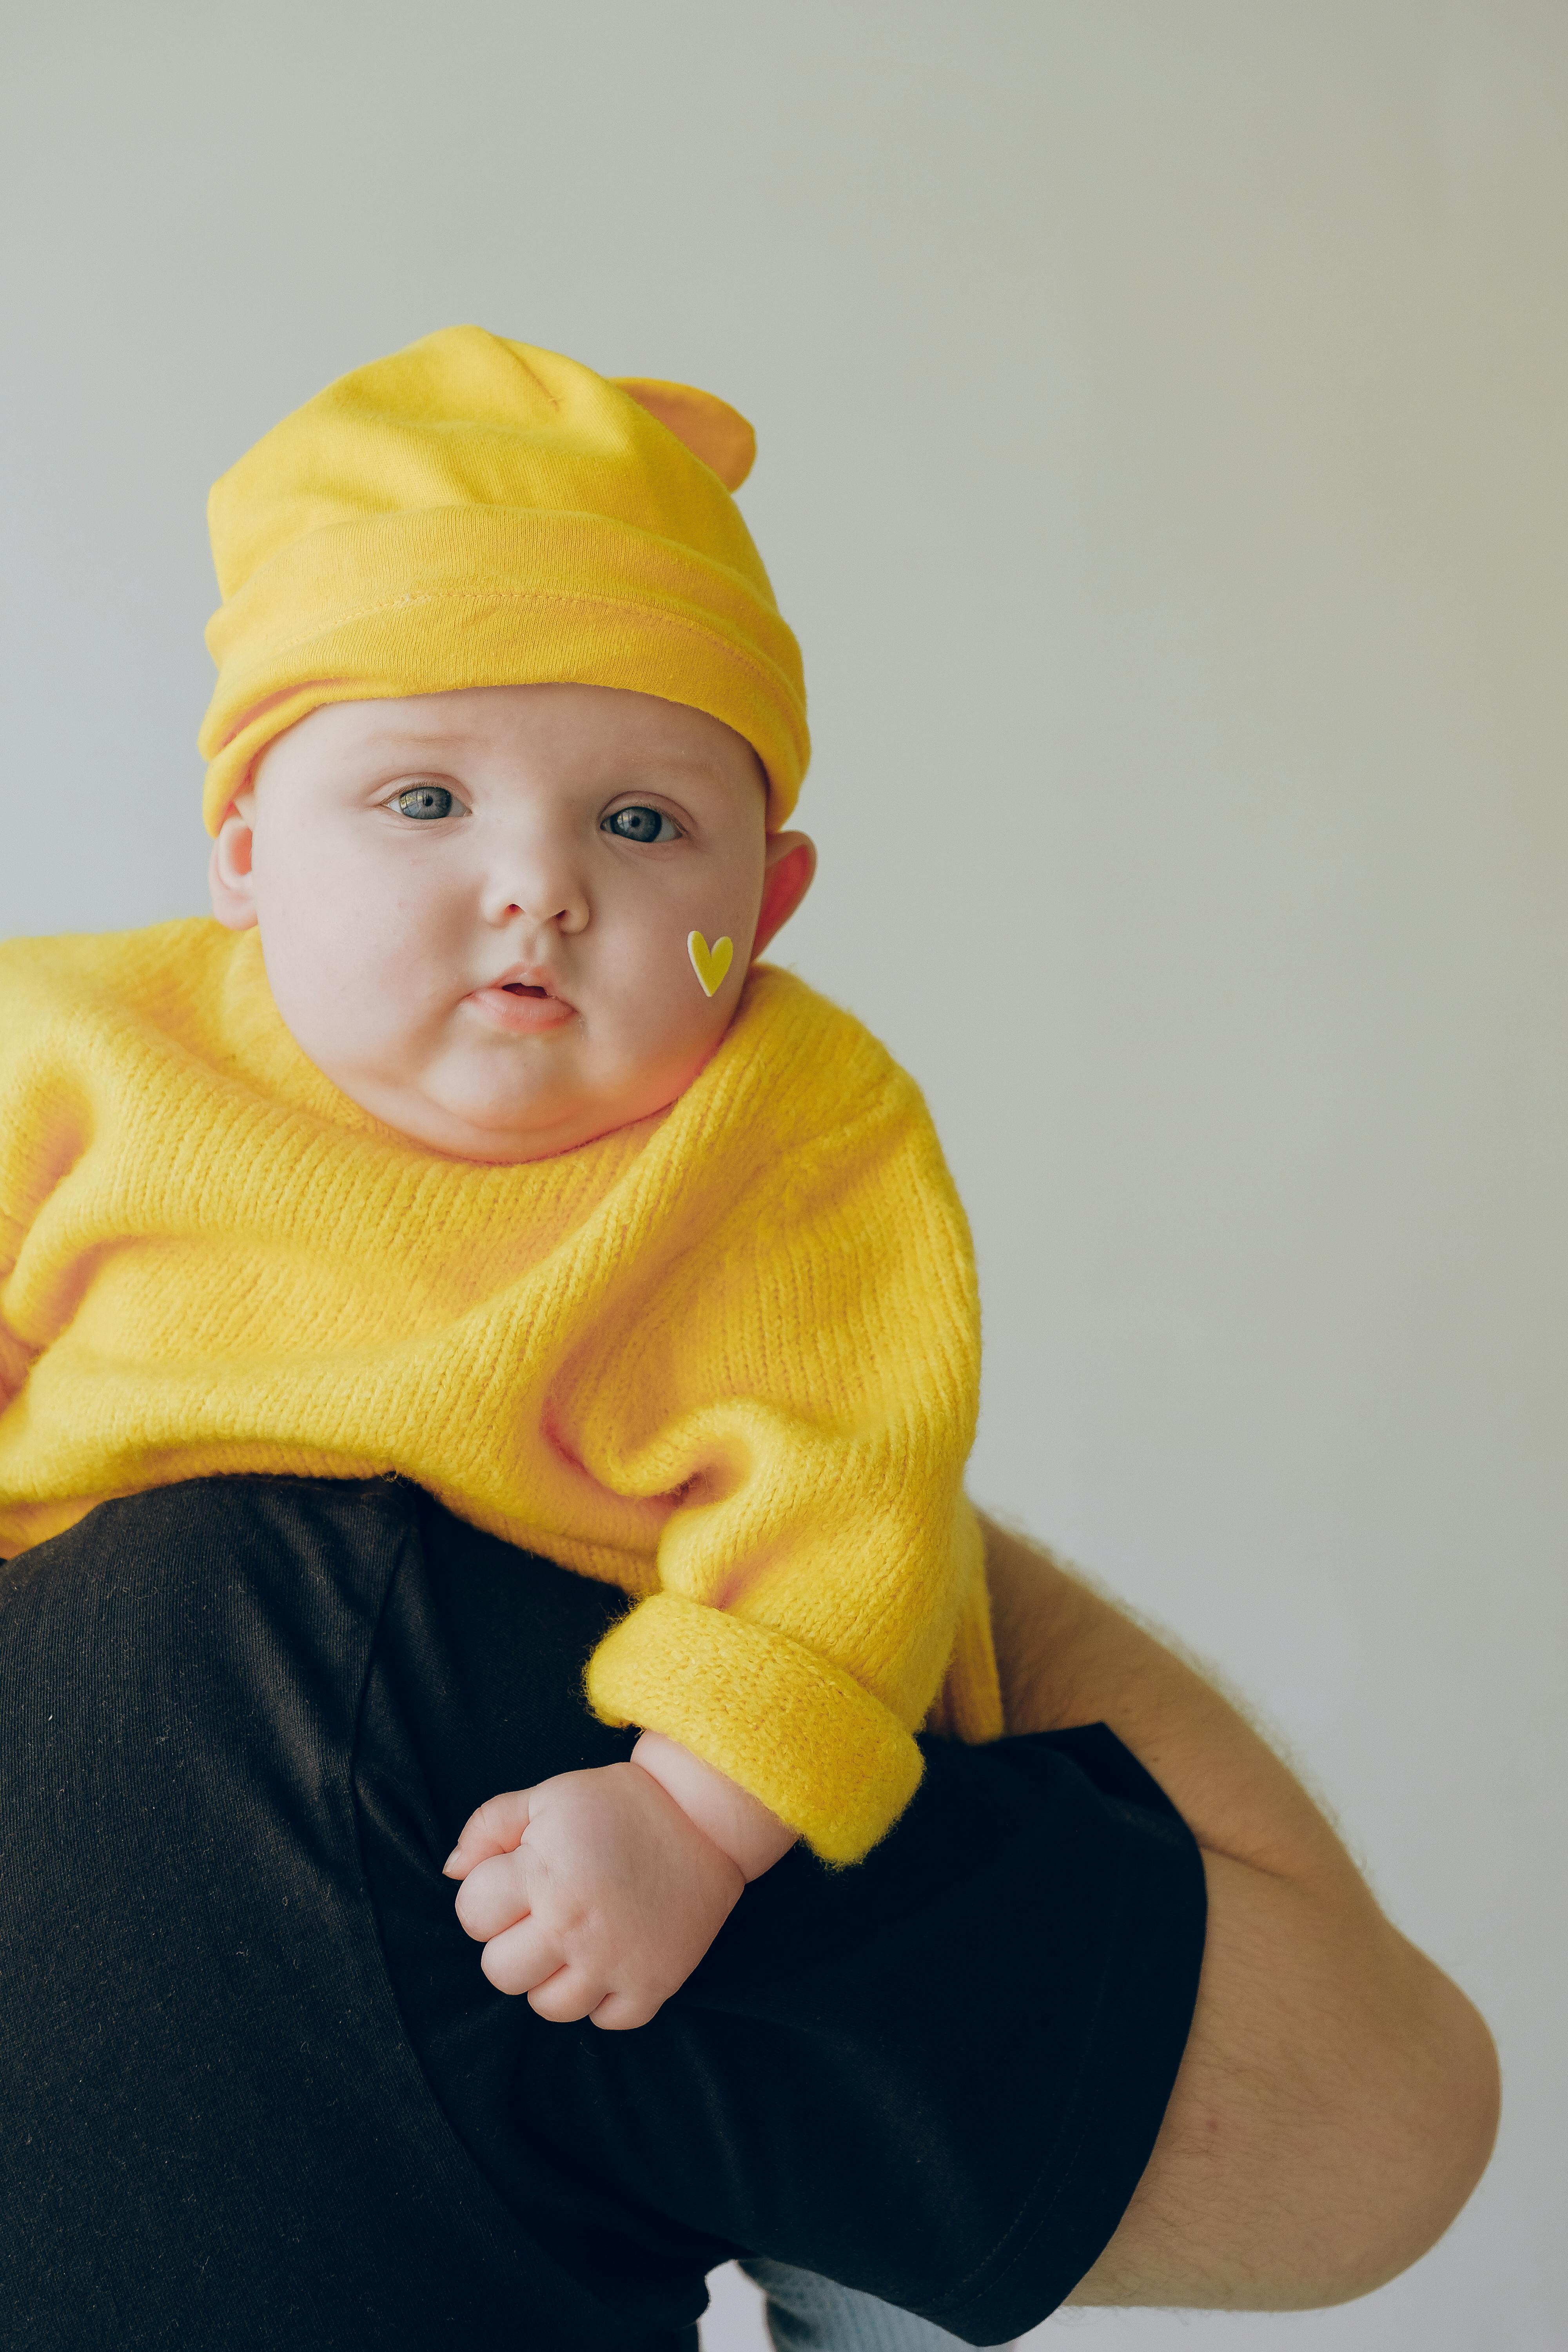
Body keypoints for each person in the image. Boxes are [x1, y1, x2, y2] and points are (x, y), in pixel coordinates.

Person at [0, 328, 1498, 2348]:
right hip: (207, 1734)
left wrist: (695, 1820)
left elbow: (847, 1498)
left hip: (666, 1754)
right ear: (246, 850)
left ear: (772, 899)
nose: (533, 890)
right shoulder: (77, 1053)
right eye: (422, 799)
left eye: (643, 829)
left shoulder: (789, 1124)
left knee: (876, 2268)